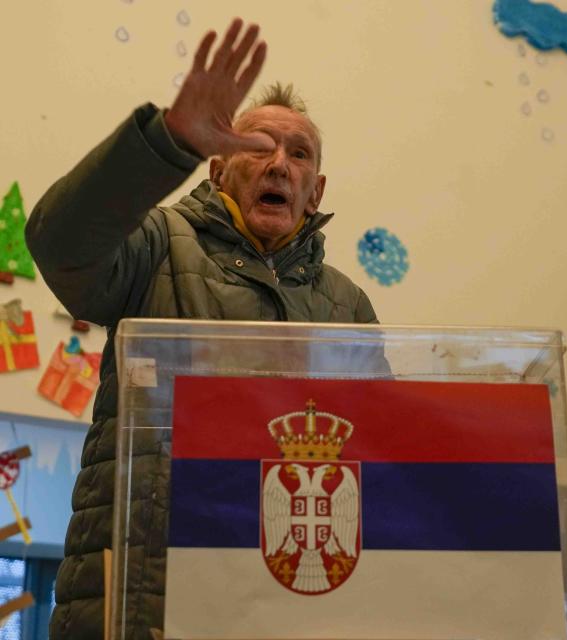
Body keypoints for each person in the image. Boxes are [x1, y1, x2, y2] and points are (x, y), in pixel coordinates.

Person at [25, 19, 383, 640]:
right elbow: (60, 245)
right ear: (218, 170)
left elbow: (382, 460)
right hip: (141, 601)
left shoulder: (349, 307)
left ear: (315, 188)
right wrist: (166, 141)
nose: (278, 165)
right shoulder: (158, 244)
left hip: (292, 600)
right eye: (257, 147)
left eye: (297, 154)